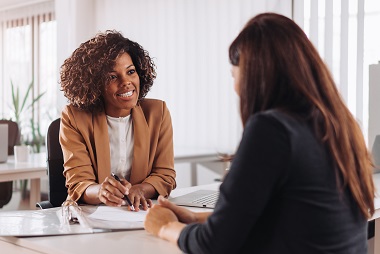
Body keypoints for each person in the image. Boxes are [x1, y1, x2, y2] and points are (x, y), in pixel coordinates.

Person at [144, 13, 375, 253]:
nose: (235, 88)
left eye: (234, 75)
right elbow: (287, 218)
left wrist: (166, 227)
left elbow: (215, 245)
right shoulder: (344, 126)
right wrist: (194, 219)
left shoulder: (272, 130)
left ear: (254, 75)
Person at [59, 30, 176, 211]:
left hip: (138, 214)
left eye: (131, 72)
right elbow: (79, 183)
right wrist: (101, 192)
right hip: (90, 217)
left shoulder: (157, 113)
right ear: (95, 84)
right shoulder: (74, 117)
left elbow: (165, 175)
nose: (126, 82)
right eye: (112, 77)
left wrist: (140, 190)